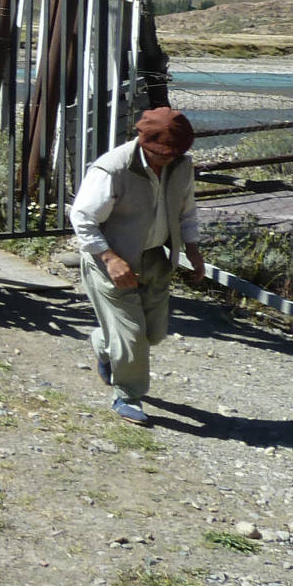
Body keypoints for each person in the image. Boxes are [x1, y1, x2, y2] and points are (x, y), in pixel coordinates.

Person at [69, 106, 205, 425]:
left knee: (153, 335)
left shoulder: (181, 166)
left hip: (156, 259)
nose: (165, 160)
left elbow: (187, 211)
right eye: (160, 154)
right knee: (131, 337)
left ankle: (103, 344)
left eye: (172, 154)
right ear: (143, 142)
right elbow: (82, 218)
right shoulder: (111, 169)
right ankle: (128, 396)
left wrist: (194, 251)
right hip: (111, 260)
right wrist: (109, 258)